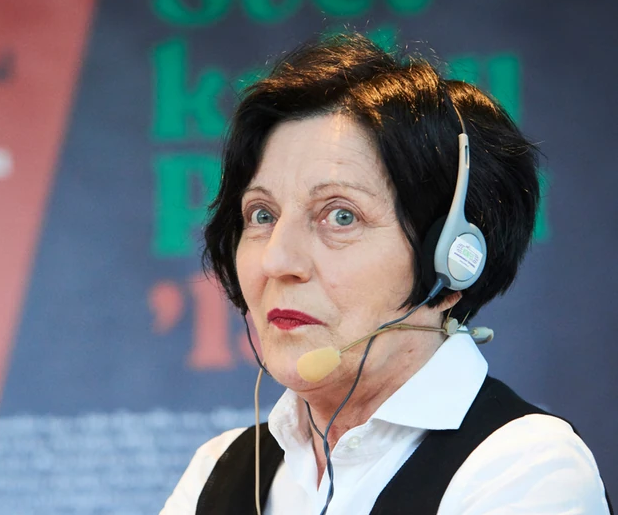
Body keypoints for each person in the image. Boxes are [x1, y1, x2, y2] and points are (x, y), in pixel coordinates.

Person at [160, 33, 612, 514]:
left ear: (450, 261)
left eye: (341, 216)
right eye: (262, 215)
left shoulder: (527, 468)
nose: (276, 261)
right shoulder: (218, 470)